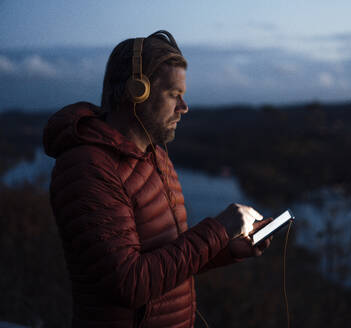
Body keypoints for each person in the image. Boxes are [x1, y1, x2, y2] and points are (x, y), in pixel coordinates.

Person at [43, 30, 272, 328]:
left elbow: (169, 259)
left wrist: (227, 249)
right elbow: (128, 284)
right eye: (174, 95)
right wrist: (217, 229)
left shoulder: (156, 157)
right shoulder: (87, 168)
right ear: (136, 92)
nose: (184, 107)